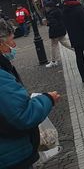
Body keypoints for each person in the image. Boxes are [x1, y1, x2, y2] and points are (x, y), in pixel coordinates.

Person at [0, 19, 61, 169]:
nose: (13, 46)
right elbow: (22, 115)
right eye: (11, 41)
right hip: (11, 156)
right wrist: (48, 99)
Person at [43, 0, 72, 68]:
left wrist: (47, 23)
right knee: (64, 43)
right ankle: (77, 49)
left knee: (54, 45)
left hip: (56, 32)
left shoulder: (52, 13)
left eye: (46, 8)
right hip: (60, 30)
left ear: (49, 7)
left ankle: (53, 61)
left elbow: (53, 23)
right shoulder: (57, 10)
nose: (45, 9)